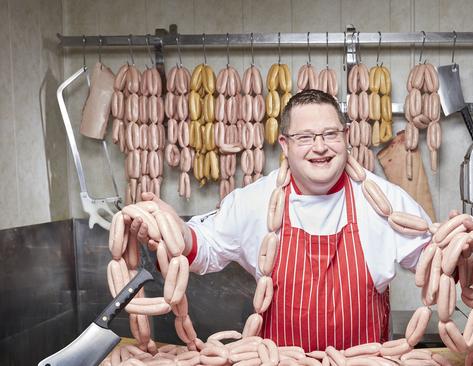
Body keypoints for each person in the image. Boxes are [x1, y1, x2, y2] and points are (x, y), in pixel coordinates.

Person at [134, 89, 432, 352]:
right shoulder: (255, 200)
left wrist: (462, 251)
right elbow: (205, 248)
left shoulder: (384, 200)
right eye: (305, 137)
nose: (320, 147)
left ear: (346, 137)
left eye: (331, 134)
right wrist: (176, 230)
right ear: (285, 145)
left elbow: (432, 260)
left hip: (365, 362)